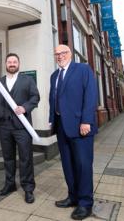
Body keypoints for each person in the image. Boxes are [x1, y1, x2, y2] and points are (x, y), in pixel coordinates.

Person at [49, 45, 98, 220]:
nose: (60, 56)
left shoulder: (83, 69)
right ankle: (73, 196)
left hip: (80, 127)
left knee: (83, 166)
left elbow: (91, 95)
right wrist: (51, 120)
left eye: (63, 53)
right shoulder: (54, 76)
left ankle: (85, 204)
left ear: (70, 54)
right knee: (68, 165)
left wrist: (86, 121)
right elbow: (53, 99)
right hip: (62, 127)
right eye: (57, 54)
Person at [0, 53, 40, 204]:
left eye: (14, 61)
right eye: (9, 62)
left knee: (26, 158)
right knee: (8, 158)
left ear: (19, 64)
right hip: (4, 126)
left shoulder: (28, 80)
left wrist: (25, 108)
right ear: (6, 64)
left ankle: (28, 188)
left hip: (22, 126)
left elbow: (35, 97)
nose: (12, 64)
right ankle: (10, 184)